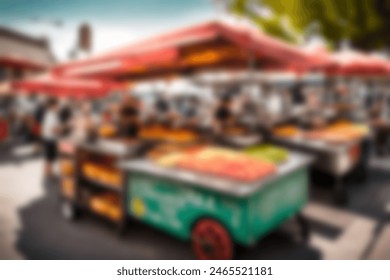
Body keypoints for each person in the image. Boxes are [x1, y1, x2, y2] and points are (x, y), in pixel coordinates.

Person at [42, 98, 60, 178]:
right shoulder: (50, 115)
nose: (58, 107)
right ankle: (48, 173)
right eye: (56, 105)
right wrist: (63, 128)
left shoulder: (52, 114)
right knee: (49, 157)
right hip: (49, 138)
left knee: (50, 157)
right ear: (52, 106)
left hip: (50, 138)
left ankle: (49, 172)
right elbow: (54, 129)